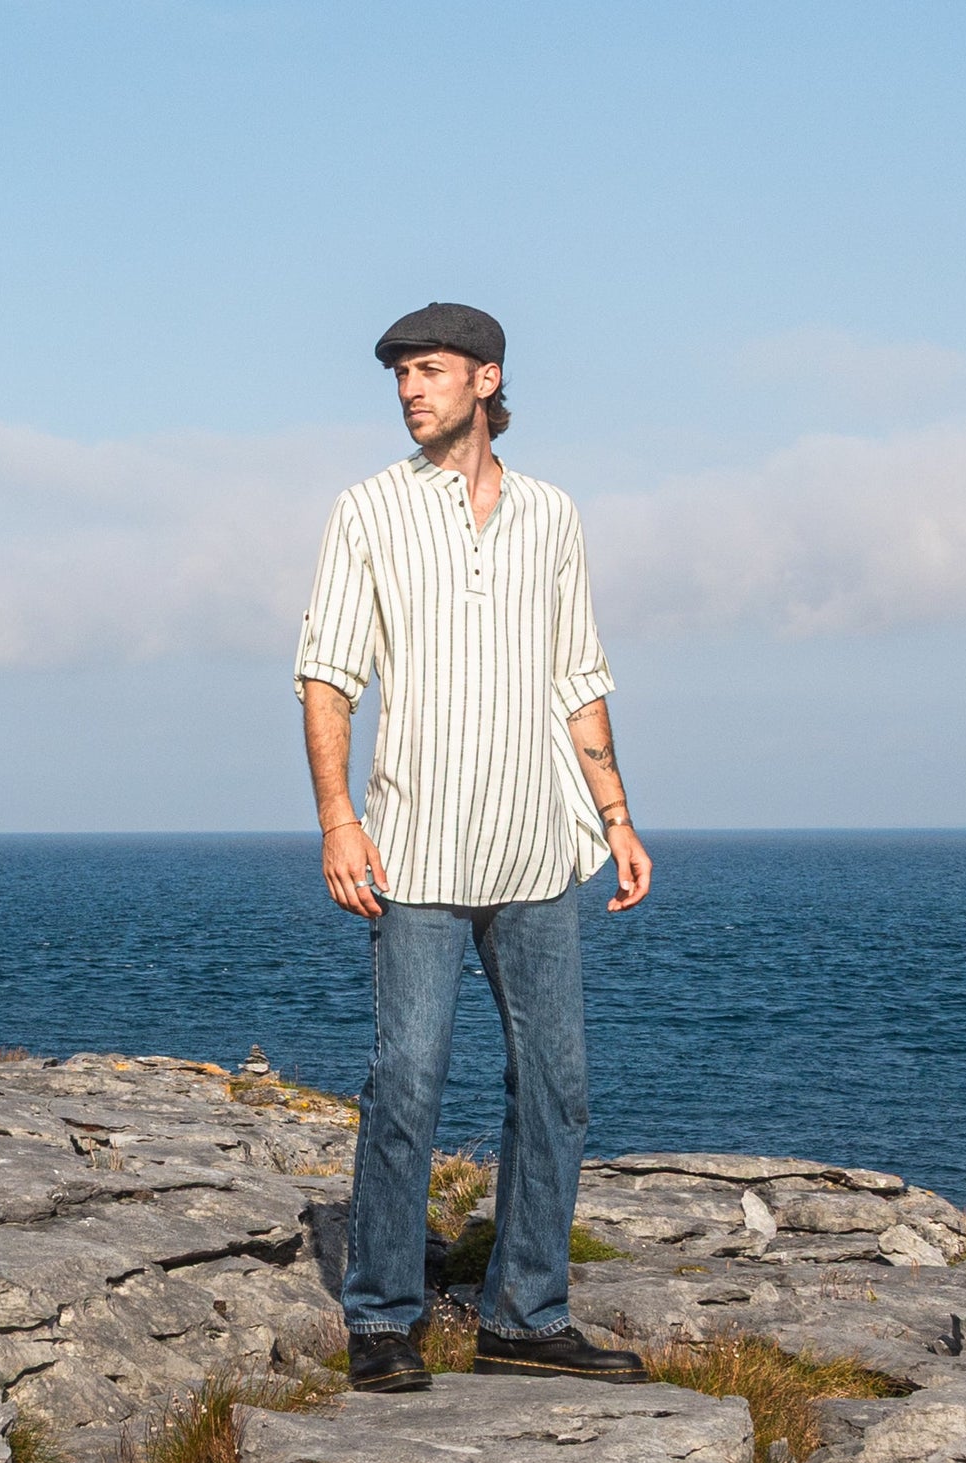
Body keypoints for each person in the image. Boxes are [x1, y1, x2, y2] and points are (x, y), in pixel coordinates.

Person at [293, 302, 654, 1393]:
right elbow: (326, 677)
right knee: (406, 1077)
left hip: (541, 849)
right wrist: (338, 821)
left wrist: (619, 819)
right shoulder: (367, 511)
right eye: (401, 373)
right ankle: (382, 1318)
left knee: (559, 1084)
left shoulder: (552, 516)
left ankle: (527, 1312)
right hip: (414, 852)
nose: (411, 390)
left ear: (486, 381)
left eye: (432, 370)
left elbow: (578, 678)